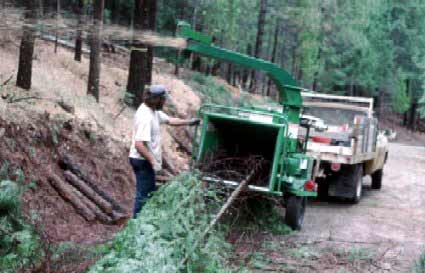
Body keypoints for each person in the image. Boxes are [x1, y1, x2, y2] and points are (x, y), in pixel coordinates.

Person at [129, 85, 200, 218]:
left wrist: (189, 122)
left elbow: (170, 120)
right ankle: (136, 226)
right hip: (142, 161)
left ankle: (141, 222)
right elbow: (139, 144)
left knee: (147, 192)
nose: (165, 102)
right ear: (156, 99)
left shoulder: (153, 111)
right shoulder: (146, 117)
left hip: (144, 160)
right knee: (144, 195)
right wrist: (152, 161)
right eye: (163, 99)